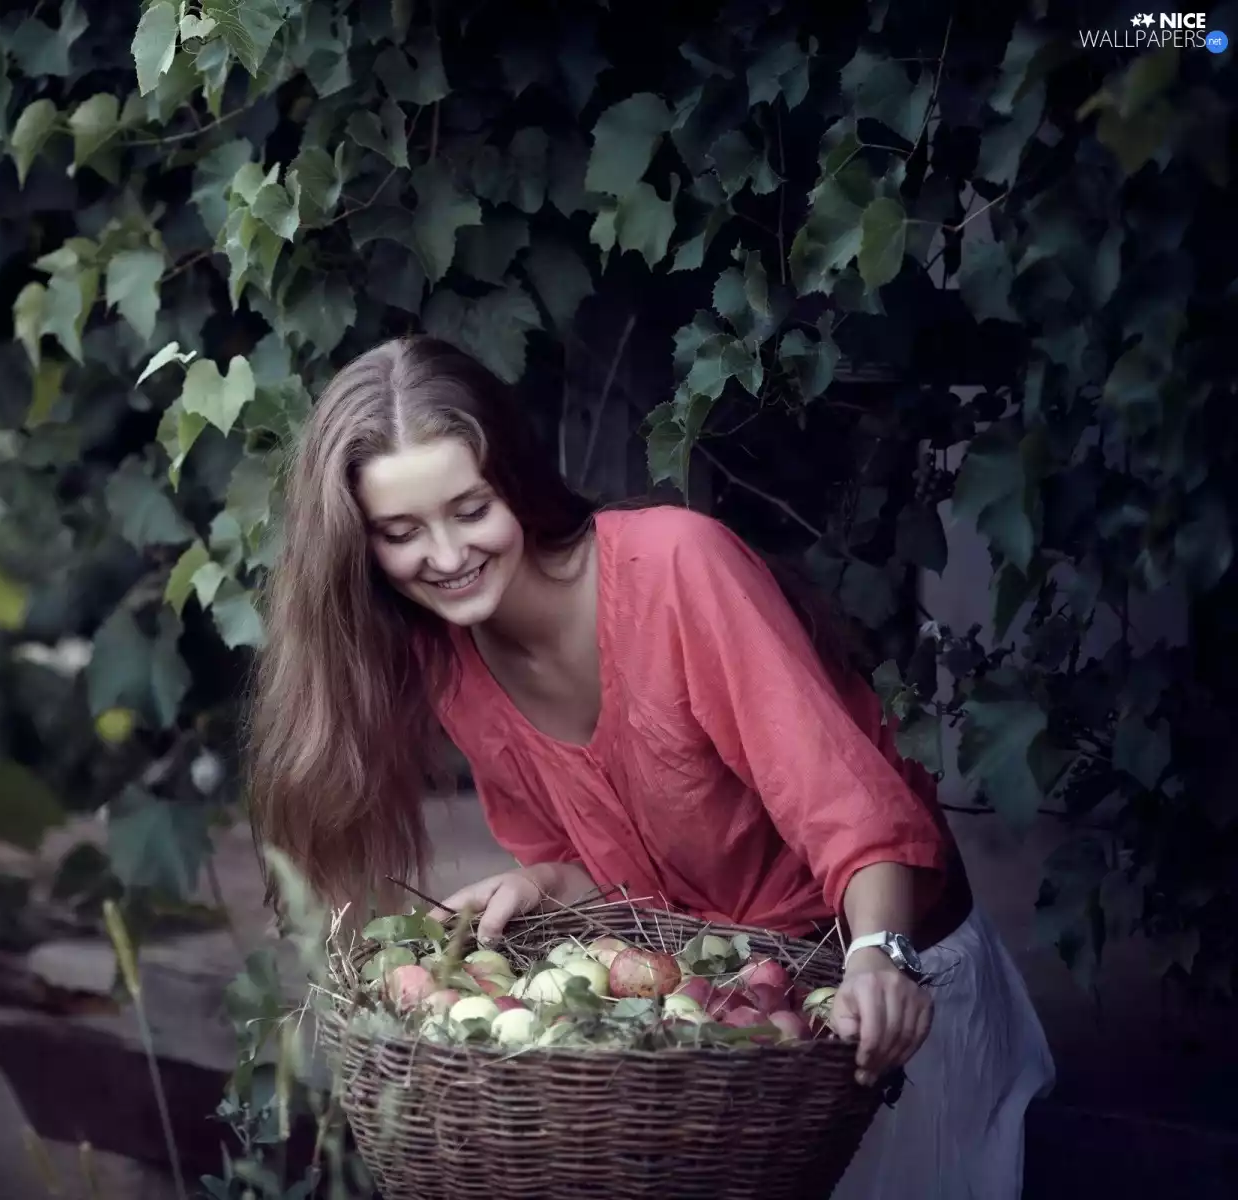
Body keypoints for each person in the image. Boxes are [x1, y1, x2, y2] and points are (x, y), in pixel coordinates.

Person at [245, 335, 1055, 1198]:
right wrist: (551, 885)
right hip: (728, 1036)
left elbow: (856, 816)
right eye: (402, 533)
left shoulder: (676, 567)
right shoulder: (451, 664)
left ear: (514, 480)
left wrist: (879, 959)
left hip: (882, 1003)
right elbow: (639, 892)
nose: (445, 558)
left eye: (470, 509)